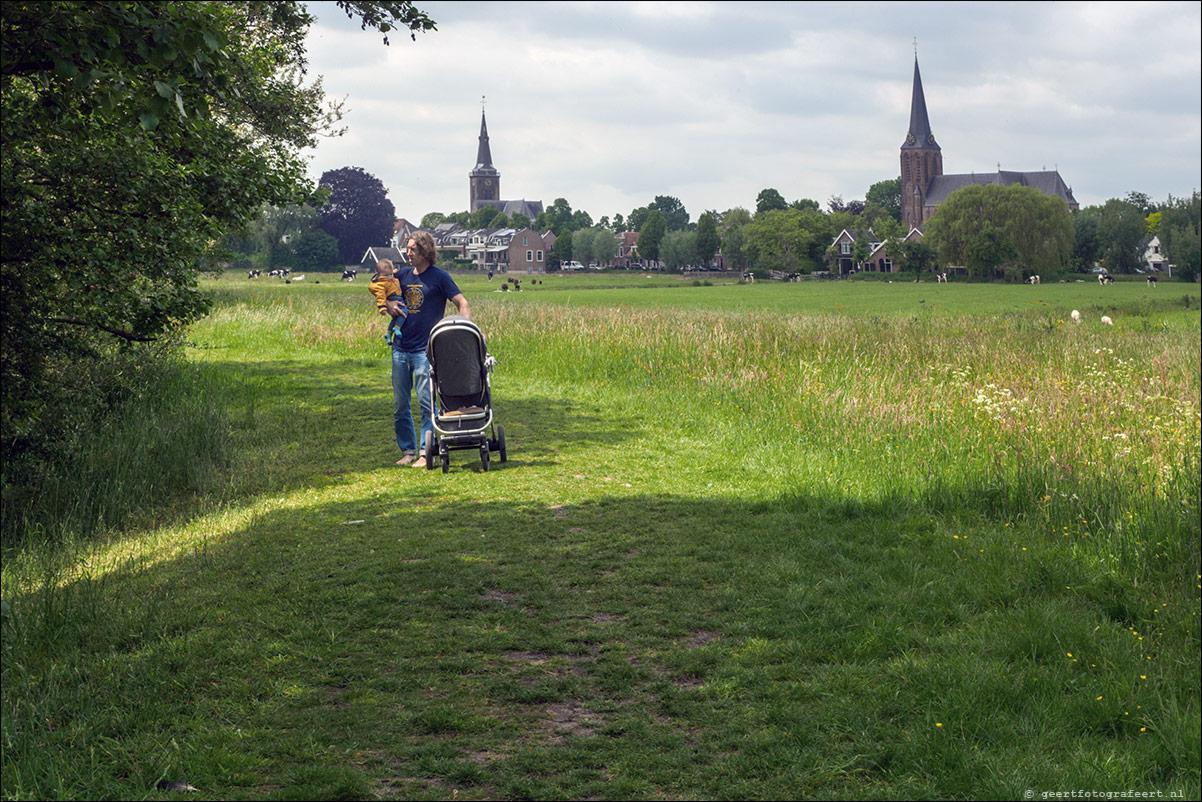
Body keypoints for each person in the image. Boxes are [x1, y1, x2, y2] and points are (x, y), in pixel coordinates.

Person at [385, 231, 471, 468]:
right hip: (400, 349)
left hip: (425, 351)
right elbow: (379, 284)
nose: (408, 253)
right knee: (400, 404)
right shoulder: (400, 275)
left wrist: (466, 326)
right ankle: (408, 451)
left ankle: (426, 451)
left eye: (412, 249)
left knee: (426, 402)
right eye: (407, 248)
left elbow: (462, 303)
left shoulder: (440, 278)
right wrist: (388, 303)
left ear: (425, 252)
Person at [368, 258, 406, 345]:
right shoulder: (380, 284)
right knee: (404, 312)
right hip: (394, 298)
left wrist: (394, 272)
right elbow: (380, 297)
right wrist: (382, 307)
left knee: (395, 318)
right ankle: (397, 328)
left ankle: (389, 333)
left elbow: (392, 273)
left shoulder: (389, 278)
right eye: (386, 275)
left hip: (397, 297)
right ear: (378, 274)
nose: (389, 277)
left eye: (391, 274)